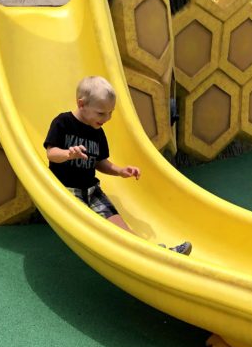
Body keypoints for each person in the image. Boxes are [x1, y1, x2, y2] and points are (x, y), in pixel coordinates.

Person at [44, 76, 192, 255]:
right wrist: (68, 154)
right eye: (101, 113)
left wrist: (120, 171)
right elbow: (51, 153)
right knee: (97, 232)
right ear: (81, 104)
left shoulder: (97, 131)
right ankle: (148, 255)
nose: (107, 118)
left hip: (92, 191)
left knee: (124, 231)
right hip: (67, 192)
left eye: (110, 112)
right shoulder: (63, 123)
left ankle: (159, 253)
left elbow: (100, 163)